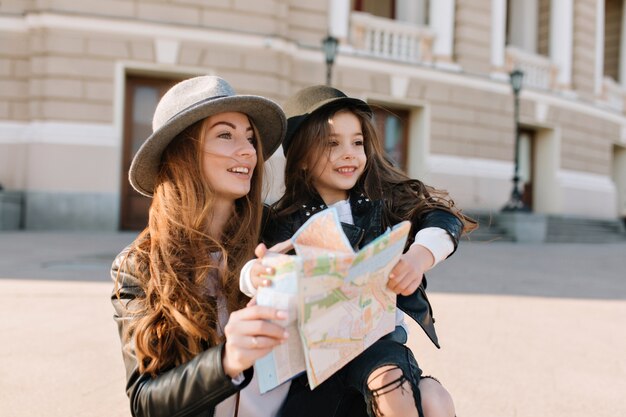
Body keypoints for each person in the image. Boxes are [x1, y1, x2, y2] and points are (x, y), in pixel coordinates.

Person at [240, 86, 476, 417]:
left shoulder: (385, 202)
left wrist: (418, 256)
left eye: (357, 142)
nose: (349, 153)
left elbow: (441, 217)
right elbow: (257, 269)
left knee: (398, 384)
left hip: (378, 344)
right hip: (316, 361)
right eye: (332, 144)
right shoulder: (285, 221)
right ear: (303, 158)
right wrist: (256, 275)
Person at [110, 75, 296, 417]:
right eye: (225, 135)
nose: (248, 151)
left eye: (251, 138)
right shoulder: (139, 264)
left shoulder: (279, 233)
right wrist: (226, 361)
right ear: (184, 153)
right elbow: (145, 400)